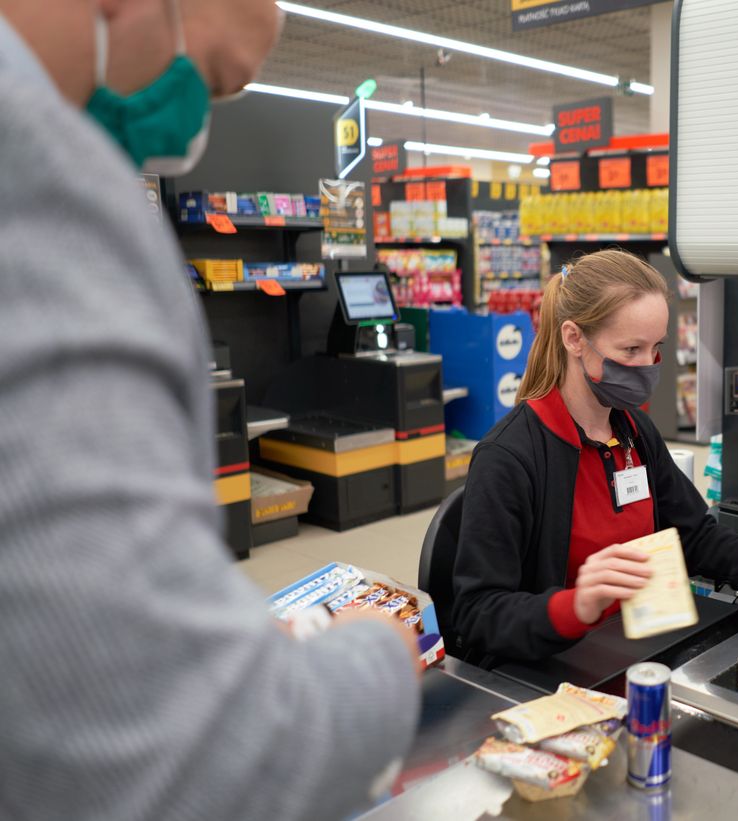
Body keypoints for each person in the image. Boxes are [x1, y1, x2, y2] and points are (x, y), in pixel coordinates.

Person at [0, 2, 423, 819]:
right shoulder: (46, 185)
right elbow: (185, 757)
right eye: (211, 79)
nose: (195, 121)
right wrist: (376, 658)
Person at [452, 250, 738, 664]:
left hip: (638, 650)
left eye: (656, 348)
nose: (646, 366)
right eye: (631, 349)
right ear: (574, 338)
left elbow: (693, 536)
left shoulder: (632, 430)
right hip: (555, 668)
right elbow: (478, 614)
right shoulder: (509, 457)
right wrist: (577, 605)